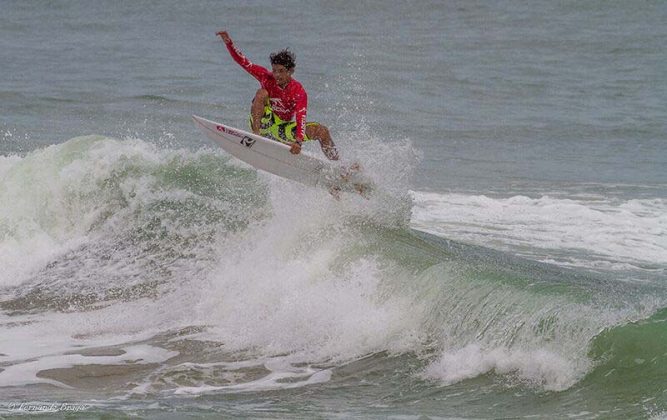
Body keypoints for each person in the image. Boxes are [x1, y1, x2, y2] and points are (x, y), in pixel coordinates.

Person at [216, 30, 339, 160]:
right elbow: (243, 62)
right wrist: (229, 43)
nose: (277, 75)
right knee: (262, 93)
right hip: (264, 123)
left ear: (290, 71)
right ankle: (256, 137)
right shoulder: (266, 77)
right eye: (274, 70)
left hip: (282, 128)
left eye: (281, 71)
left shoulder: (298, 91)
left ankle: (338, 165)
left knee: (322, 131)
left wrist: (298, 141)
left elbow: (301, 116)